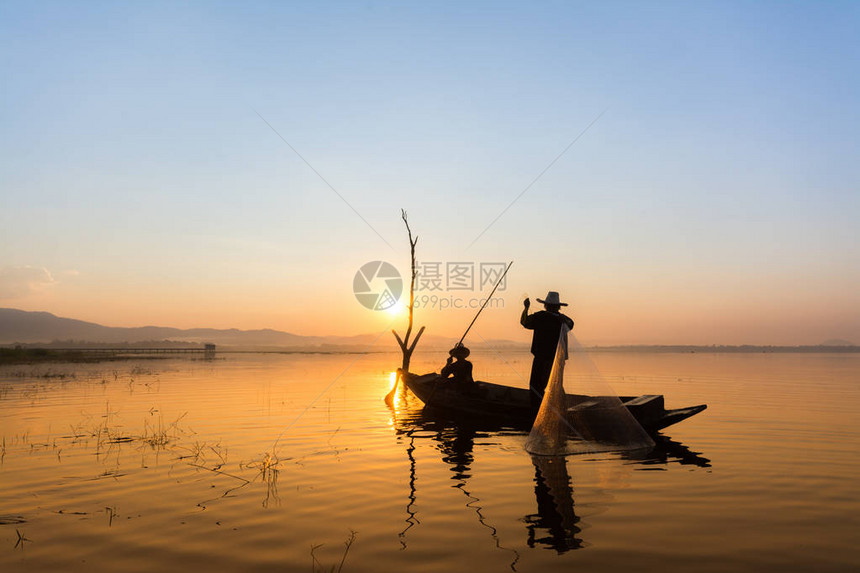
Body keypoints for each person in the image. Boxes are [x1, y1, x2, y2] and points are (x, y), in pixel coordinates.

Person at [521, 291, 574, 409]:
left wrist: (526, 308)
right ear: (558, 306)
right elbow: (571, 324)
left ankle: (538, 411)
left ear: (546, 305)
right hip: (557, 360)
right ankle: (559, 407)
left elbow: (524, 322)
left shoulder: (540, 317)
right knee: (556, 385)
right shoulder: (563, 320)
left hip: (541, 359)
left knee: (536, 386)